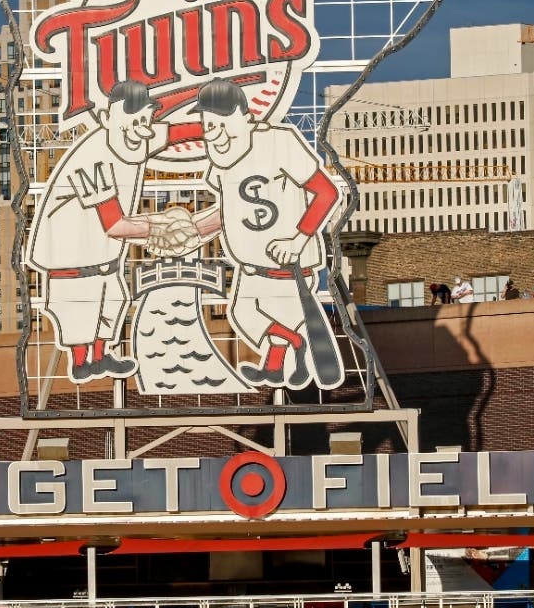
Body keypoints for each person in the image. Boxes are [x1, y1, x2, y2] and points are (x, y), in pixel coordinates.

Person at [25, 81, 197, 383]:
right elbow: (114, 224)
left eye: (145, 120)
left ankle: (101, 357)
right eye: (133, 120)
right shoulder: (91, 156)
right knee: (79, 314)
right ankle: (81, 362)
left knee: (113, 302)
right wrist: (162, 227)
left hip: (103, 259)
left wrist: (224, 127)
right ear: (107, 119)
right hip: (70, 260)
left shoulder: (133, 136)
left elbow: (176, 133)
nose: (141, 128)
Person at [188, 78, 344, 389]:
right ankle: (283, 359)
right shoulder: (221, 160)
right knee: (245, 314)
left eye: (222, 124)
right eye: (209, 126)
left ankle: (292, 349)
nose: (216, 134)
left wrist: (298, 240)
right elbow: (228, 211)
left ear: (246, 118)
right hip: (251, 264)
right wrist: (193, 230)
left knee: (265, 313)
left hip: (287, 265)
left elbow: (325, 192)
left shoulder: (279, 142)